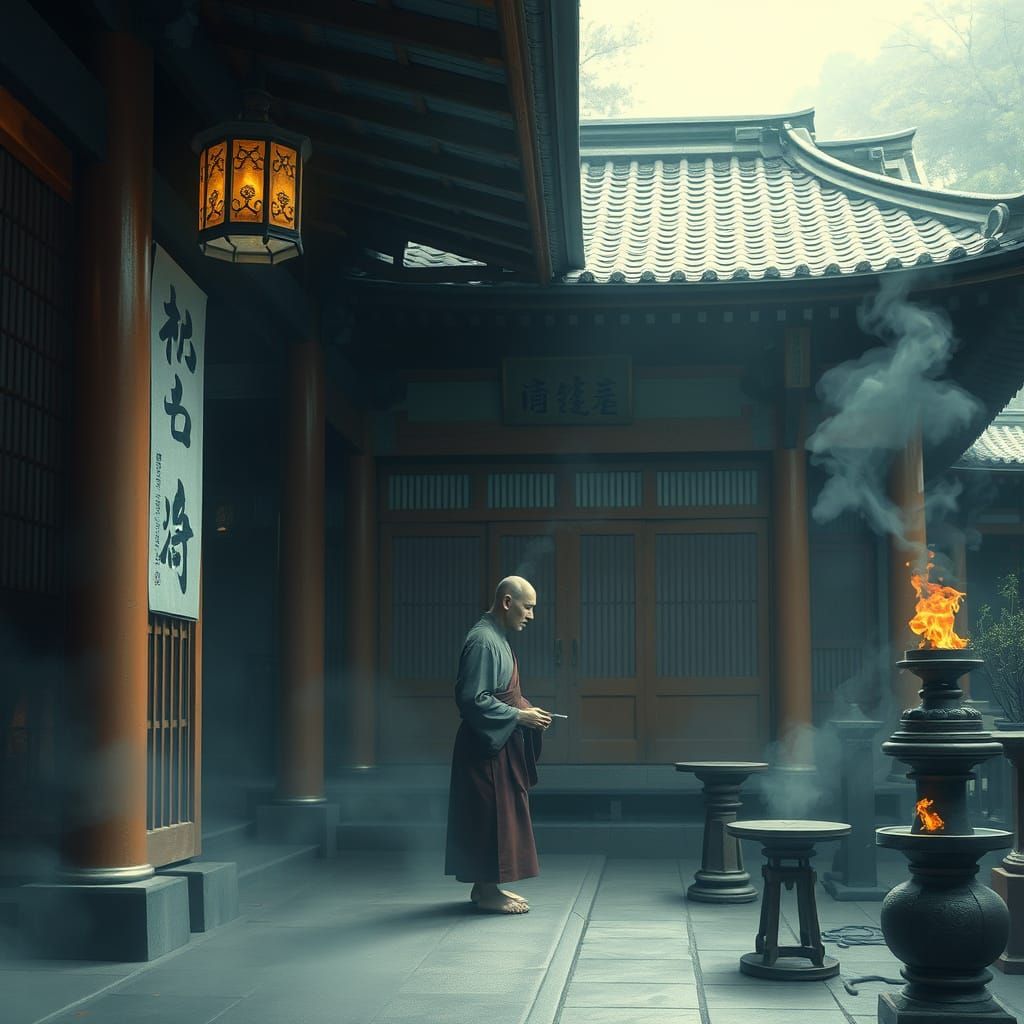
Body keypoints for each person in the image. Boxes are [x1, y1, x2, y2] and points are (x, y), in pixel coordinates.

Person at [444, 575, 552, 914]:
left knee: (494, 813)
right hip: (484, 749)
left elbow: (504, 694)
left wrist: (526, 709)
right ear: (507, 602)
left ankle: (484, 887)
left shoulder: (496, 637)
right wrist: (519, 717)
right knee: (489, 815)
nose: (531, 616)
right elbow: (472, 700)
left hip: (495, 744)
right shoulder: (483, 641)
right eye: (528, 607)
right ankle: (489, 893)